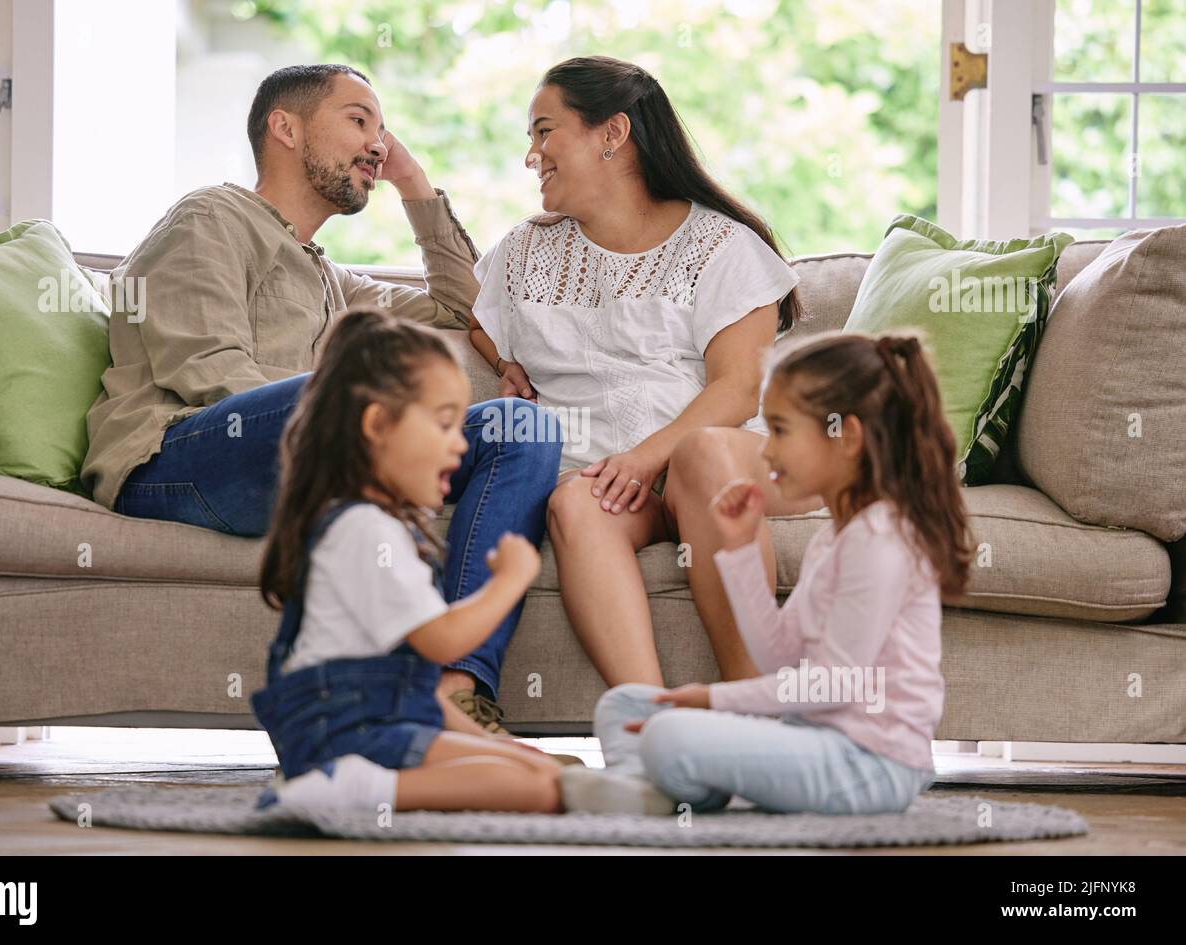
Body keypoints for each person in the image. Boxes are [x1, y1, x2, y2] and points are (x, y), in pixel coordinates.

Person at [79, 65, 561, 733]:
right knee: (343, 397)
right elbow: (206, 372)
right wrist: (364, 434)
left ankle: (455, 689)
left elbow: (465, 309)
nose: (377, 142)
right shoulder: (211, 217)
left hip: (295, 453)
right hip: (176, 458)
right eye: (359, 120)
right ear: (285, 127)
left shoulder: (332, 278)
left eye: (383, 129)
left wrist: (413, 184)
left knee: (519, 425)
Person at [467, 56, 819, 691]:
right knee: (575, 503)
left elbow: (738, 390)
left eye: (544, 132)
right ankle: (647, 723)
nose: (531, 156)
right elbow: (475, 320)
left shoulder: (721, 245)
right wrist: (505, 363)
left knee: (701, 456)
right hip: (611, 481)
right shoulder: (524, 250)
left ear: (613, 134)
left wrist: (646, 458)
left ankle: (751, 707)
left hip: (717, 465)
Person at [560, 332, 973, 815]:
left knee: (670, 731)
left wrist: (712, 700)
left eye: (780, 430)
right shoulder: (834, 539)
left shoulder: (881, 540)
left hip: (871, 763)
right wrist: (737, 550)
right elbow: (777, 656)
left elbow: (833, 683)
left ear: (847, 437)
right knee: (627, 704)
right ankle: (645, 790)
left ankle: (658, 782)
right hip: (810, 740)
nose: (767, 451)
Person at [252, 309, 565, 819]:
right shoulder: (365, 530)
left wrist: (502, 748)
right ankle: (342, 790)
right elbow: (442, 642)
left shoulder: (378, 529)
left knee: (541, 774)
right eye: (445, 424)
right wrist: (509, 581)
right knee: (538, 791)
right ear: (377, 424)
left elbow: (419, 690)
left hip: (377, 723)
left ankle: (341, 785)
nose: (462, 443)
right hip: (347, 731)